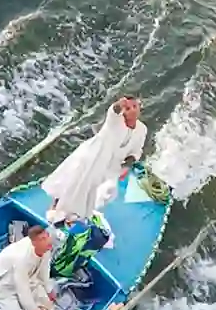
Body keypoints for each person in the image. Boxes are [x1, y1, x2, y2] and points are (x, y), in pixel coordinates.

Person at [42, 96, 147, 227]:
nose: (131, 111)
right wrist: (119, 105)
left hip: (111, 165)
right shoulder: (115, 121)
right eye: (127, 108)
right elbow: (113, 111)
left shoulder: (142, 129)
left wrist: (127, 166)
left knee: (102, 191)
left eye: (134, 107)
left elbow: (136, 151)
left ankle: (76, 214)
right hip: (93, 155)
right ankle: (55, 209)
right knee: (73, 181)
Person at [0, 225, 56, 310]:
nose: (47, 241)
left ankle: (23, 309)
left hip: (26, 280)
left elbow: (44, 270)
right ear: (33, 243)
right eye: (42, 239)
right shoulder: (21, 258)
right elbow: (22, 288)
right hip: (3, 288)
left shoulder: (46, 247)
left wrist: (48, 290)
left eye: (46, 237)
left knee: (49, 306)